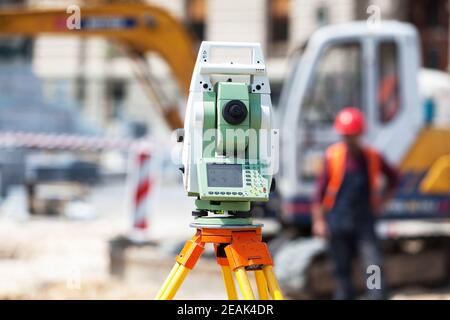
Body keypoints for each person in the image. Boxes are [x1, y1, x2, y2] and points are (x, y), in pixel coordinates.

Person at [312, 107, 398, 300]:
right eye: (345, 135)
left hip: (364, 220)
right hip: (338, 220)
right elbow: (319, 193)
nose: (348, 139)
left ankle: (376, 296)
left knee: (372, 264)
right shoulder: (333, 156)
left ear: (360, 133)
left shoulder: (372, 156)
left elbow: (394, 178)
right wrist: (319, 221)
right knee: (341, 268)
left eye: (352, 135)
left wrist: (384, 200)